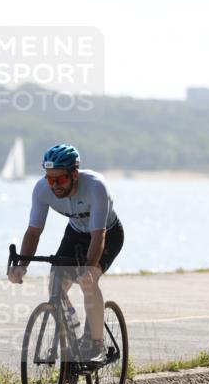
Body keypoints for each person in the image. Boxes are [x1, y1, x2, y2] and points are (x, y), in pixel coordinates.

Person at [7, 144, 124, 364]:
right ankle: (74, 328)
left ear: (74, 174)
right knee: (55, 285)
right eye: (49, 179)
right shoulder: (42, 189)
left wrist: (89, 269)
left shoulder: (96, 186)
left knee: (89, 281)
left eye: (59, 179)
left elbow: (98, 237)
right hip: (76, 232)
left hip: (107, 233)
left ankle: (96, 344)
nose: (53, 185)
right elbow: (33, 232)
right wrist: (22, 265)